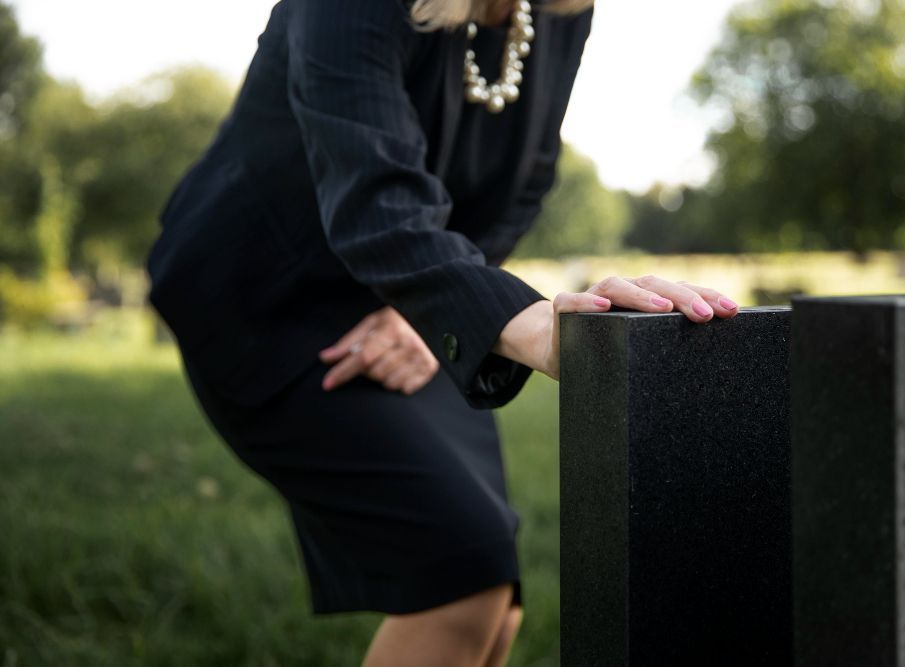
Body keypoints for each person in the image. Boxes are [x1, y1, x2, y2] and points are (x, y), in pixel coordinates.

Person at [144, 0, 740, 664]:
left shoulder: (558, 7)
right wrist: (536, 322)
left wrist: (428, 307)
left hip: (417, 297)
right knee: (462, 584)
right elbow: (373, 191)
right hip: (269, 299)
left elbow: (529, 177)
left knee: (495, 600)